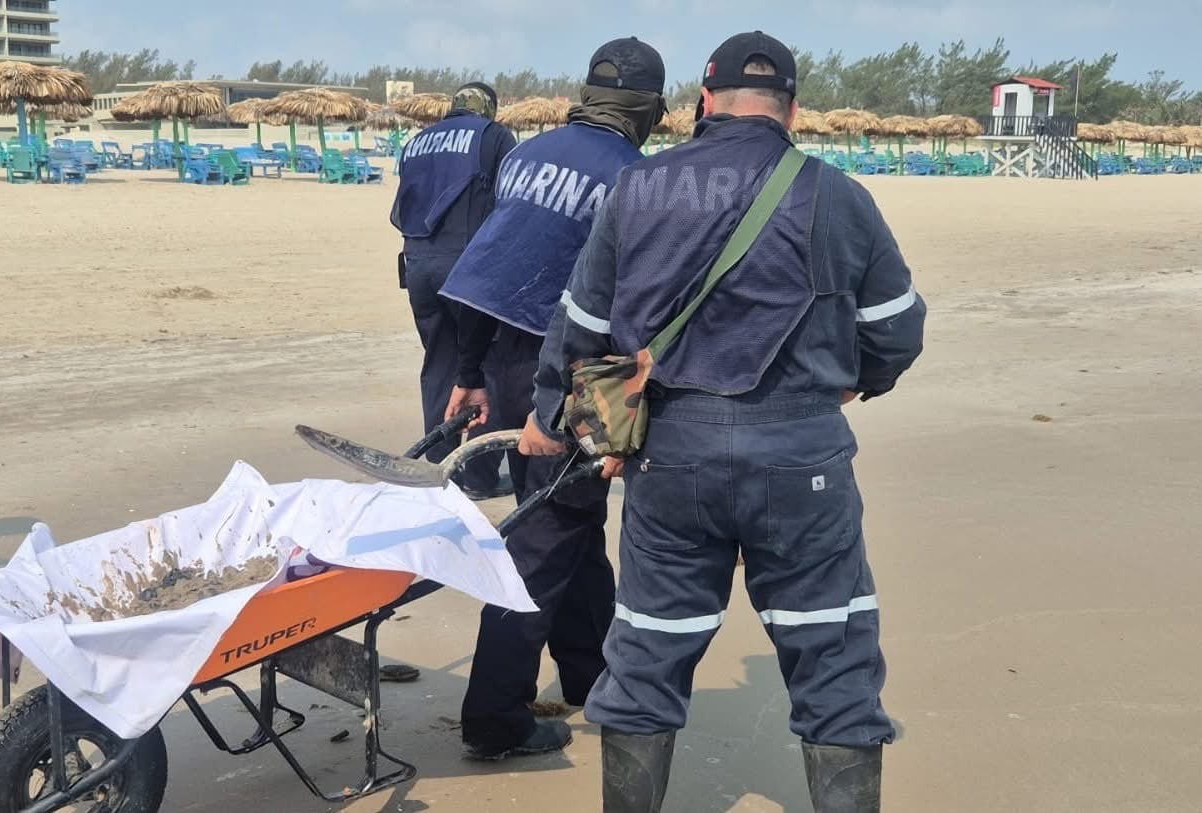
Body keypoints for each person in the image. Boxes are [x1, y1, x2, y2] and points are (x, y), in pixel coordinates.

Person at [520, 32, 926, 812]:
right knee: (834, 660)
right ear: (792, 110)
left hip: (672, 455)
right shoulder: (837, 194)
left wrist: (562, 422)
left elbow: (580, 329)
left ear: (704, 103)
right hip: (803, 456)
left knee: (645, 655)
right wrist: (855, 383)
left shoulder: (638, 187)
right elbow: (896, 330)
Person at [436, 37, 670, 761]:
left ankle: (589, 672)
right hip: (572, 372)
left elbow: (491, 265)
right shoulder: (638, 179)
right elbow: (634, 309)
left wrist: (469, 371)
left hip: (504, 354)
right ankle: (494, 716)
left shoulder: (527, 153)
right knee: (545, 535)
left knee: (570, 520)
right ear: (652, 111)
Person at [389, 82, 515, 491]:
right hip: (468, 265)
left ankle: (439, 469)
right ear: (488, 108)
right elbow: (509, 202)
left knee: (439, 362)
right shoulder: (493, 136)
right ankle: (477, 475)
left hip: (417, 263)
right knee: (484, 364)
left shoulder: (417, 142)